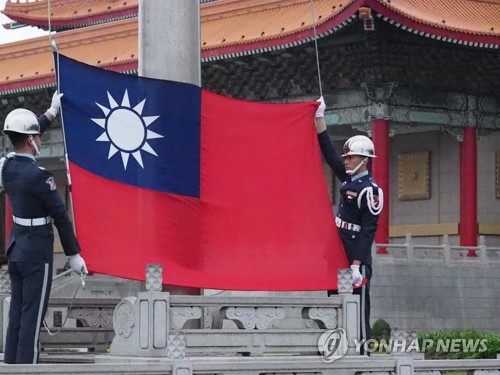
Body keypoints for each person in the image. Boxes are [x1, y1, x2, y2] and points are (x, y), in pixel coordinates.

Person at [0, 92, 88, 364]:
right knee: (33, 315)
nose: (40, 140)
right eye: (37, 136)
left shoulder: (6, 167)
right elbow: (61, 216)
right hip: (37, 251)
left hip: (16, 249)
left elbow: (24, 134)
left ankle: (12, 364)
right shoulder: (41, 177)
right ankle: (28, 368)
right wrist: (74, 254)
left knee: (17, 311)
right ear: (30, 140)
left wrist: (50, 112)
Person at [314, 97, 383, 350]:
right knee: (336, 301)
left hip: (355, 254)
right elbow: (331, 156)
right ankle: (338, 348)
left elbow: (368, 230)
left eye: (351, 157)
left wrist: (357, 264)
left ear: (364, 160)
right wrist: (319, 119)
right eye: (347, 156)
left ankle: (362, 352)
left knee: (359, 305)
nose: (346, 160)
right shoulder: (350, 180)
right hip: (338, 249)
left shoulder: (371, 190)